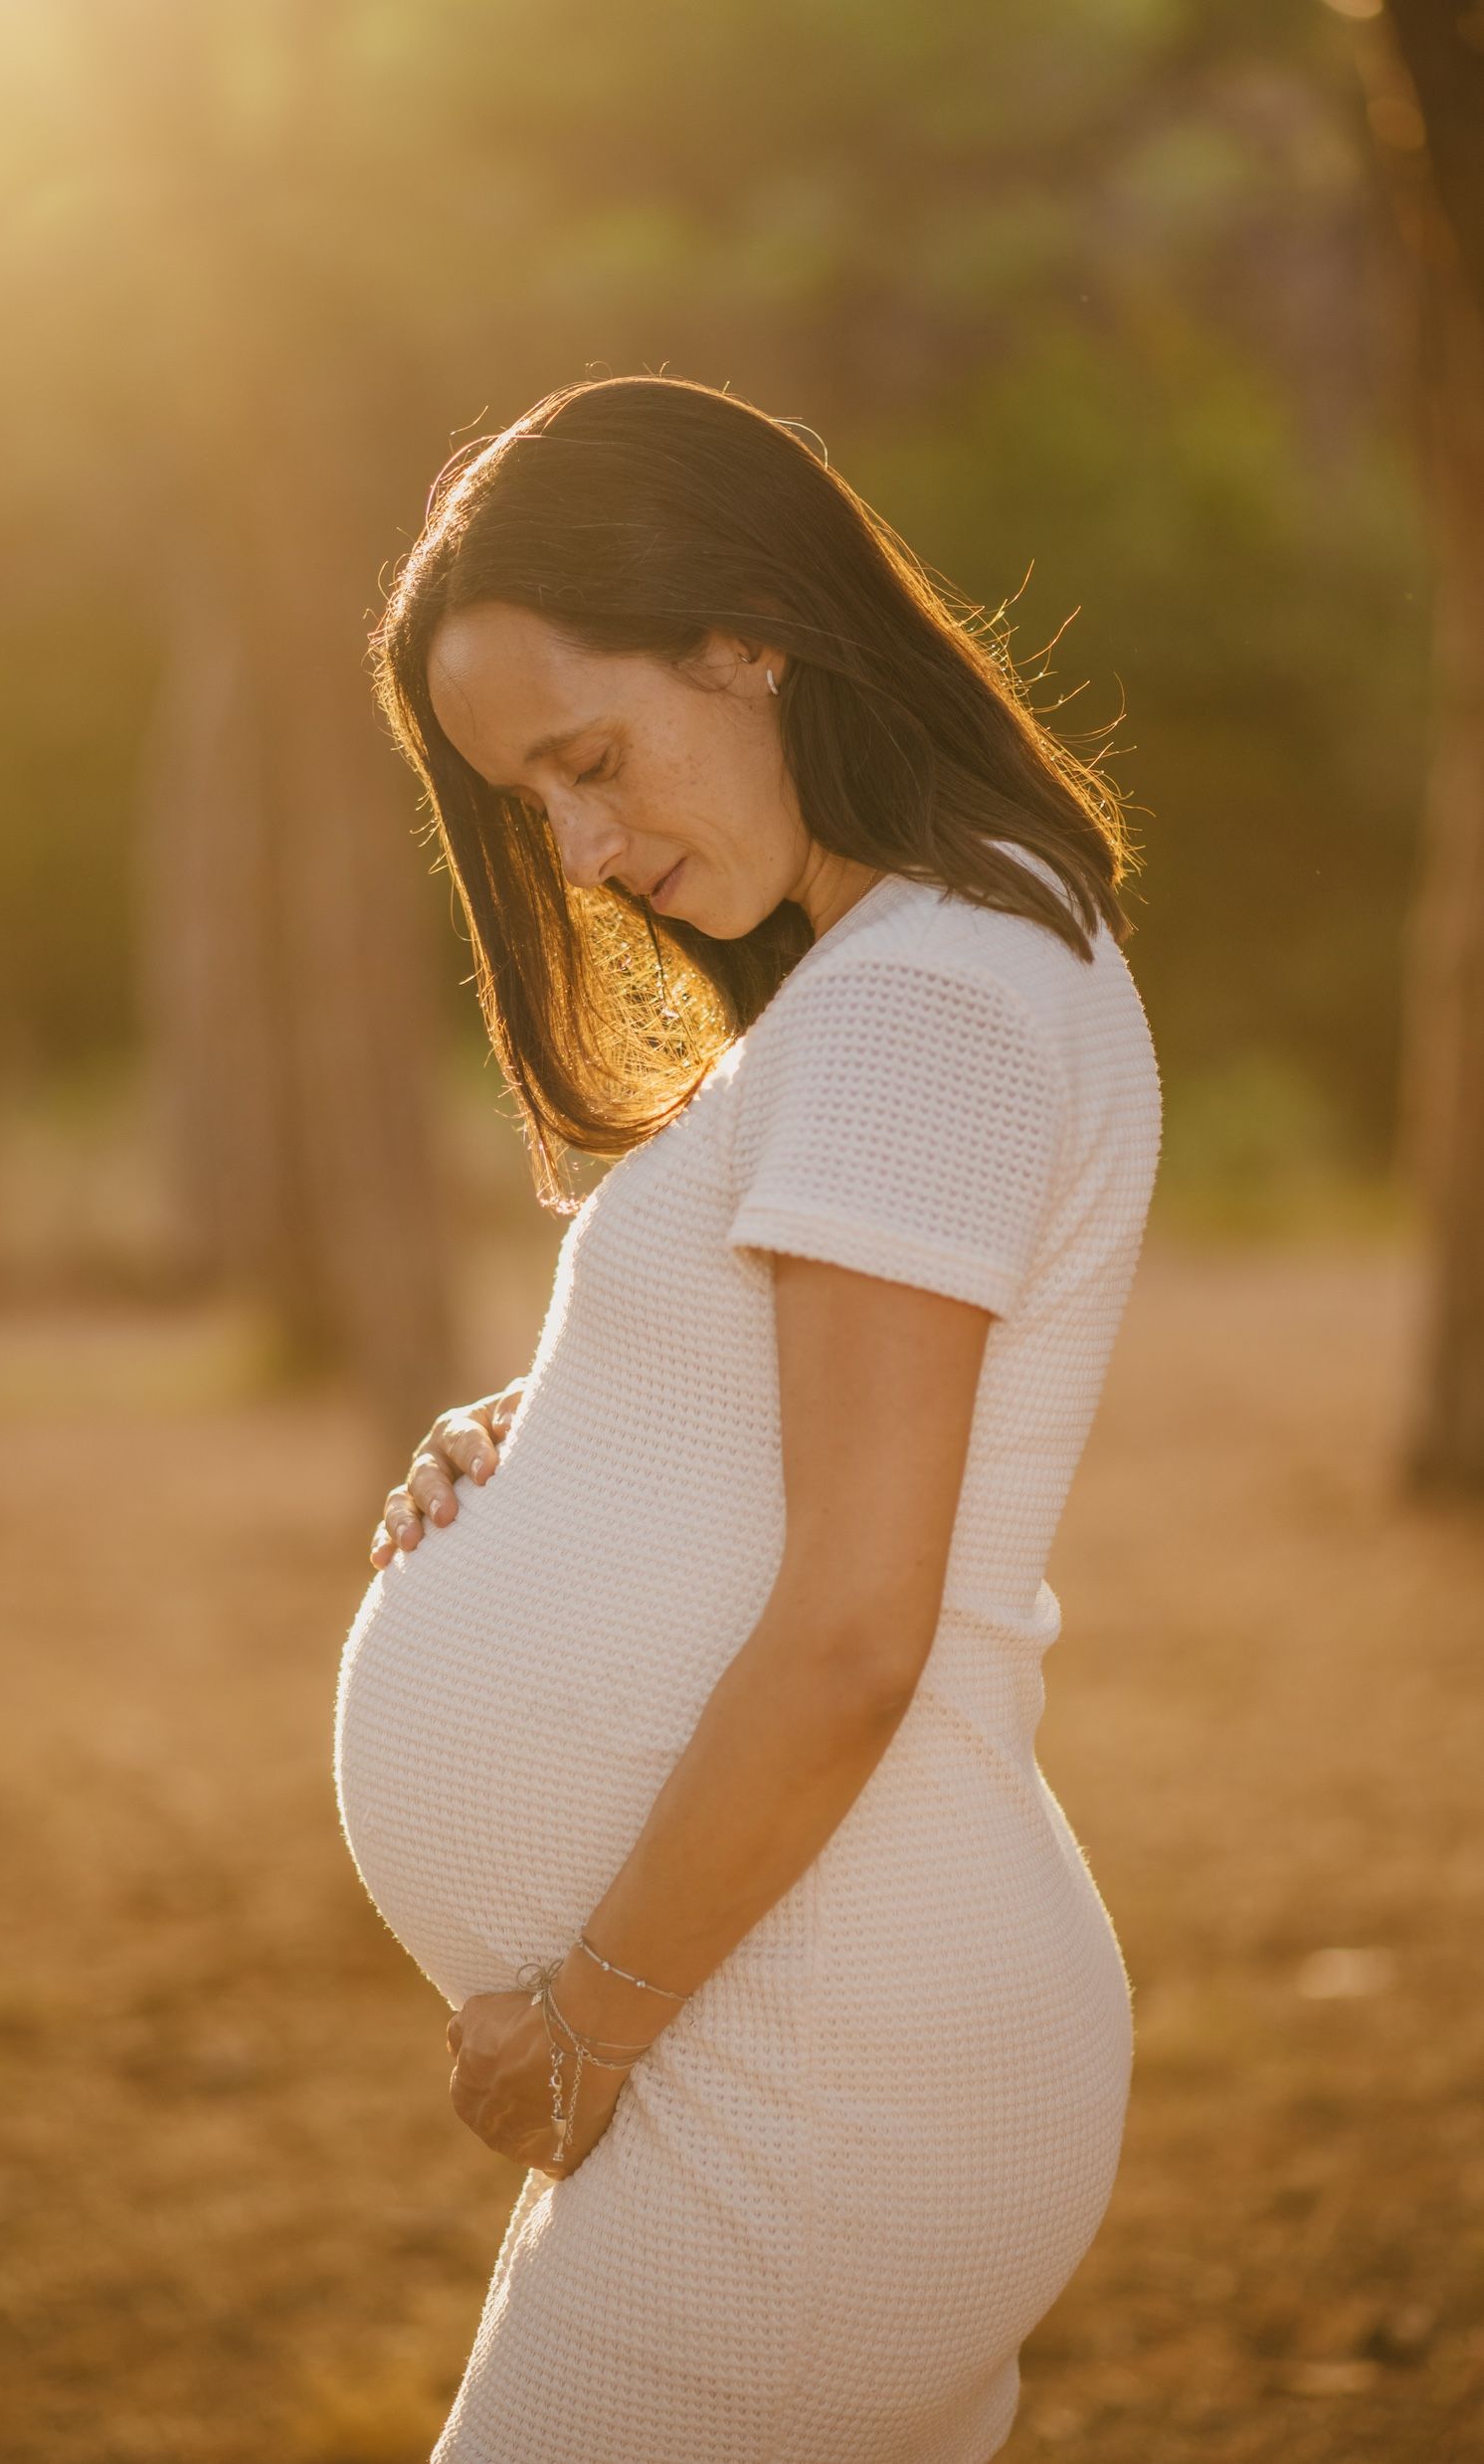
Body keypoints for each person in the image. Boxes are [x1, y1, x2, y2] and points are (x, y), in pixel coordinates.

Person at [333, 372, 1163, 2463]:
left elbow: (856, 1626)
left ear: (743, 627)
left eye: (590, 762)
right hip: (809, 2054)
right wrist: (565, 1431)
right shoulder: (930, 967)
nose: (586, 852)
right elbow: (810, 1412)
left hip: (796, 2075)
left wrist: (585, 2023)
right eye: (534, 805)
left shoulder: (921, 1004)